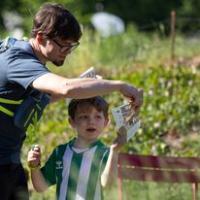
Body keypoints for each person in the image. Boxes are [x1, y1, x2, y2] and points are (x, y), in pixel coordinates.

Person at [0, 2, 142, 199]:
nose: (67, 51)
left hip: (9, 163)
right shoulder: (19, 61)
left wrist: (90, 84)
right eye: (64, 45)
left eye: (72, 46)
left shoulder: (30, 61)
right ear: (41, 38)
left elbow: (44, 99)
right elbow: (65, 88)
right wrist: (119, 86)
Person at [27, 96, 127, 200]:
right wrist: (34, 167)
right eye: (84, 117)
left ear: (106, 122)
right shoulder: (60, 152)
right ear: (72, 122)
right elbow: (40, 187)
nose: (91, 122)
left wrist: (114, 151)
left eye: (97, 116)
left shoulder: (106, 153)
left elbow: (107, 185)